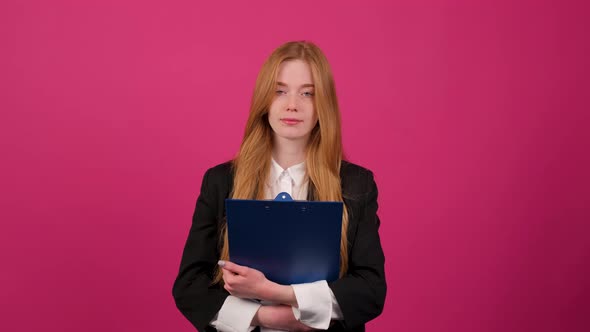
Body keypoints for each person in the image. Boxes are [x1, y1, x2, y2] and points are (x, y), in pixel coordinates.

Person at [172, 41, 386, 332]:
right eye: (280, 91)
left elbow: (370, 291)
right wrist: (263, 317)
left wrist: (280, 295)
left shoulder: (356, 184)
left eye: (308, 93)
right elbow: (189, 286)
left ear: (324, 104)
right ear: (264, 99)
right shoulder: (221, 181)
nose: (292, 105)